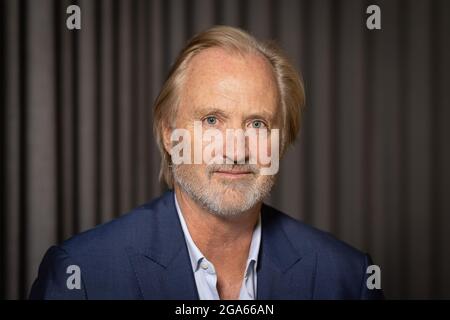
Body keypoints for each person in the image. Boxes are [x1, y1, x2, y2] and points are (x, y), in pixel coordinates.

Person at [30, 26, 383, 300]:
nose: (236, 150)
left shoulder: (347, 279)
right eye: (212, 120)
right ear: (170, 135)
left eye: (257, 124)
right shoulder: (84, 275)